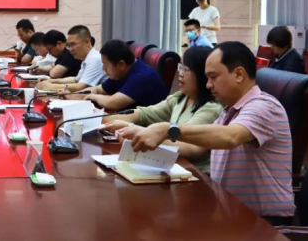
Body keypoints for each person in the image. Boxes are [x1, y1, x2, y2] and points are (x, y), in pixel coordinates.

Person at [129, 42, 294, 224]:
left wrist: (167, 130)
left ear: (239, 74)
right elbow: (199, 144)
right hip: (229, 213)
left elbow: (230, 137)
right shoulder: (230, 111)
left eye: (213, 77)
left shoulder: (264, 106)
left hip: (264, 223)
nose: (208, 85)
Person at [100, 47, 223, 173]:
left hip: (195, 174)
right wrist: (102, 119)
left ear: (202, 74)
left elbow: (189, 148)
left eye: (185, 69)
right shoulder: (180, 98)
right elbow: (144, 114)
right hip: (172, 166)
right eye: (180, 67)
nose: (180, 73)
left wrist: (138, 131)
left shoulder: (212, 108)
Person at [83, 40, 168, 110]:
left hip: (149, 124)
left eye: (105, 64)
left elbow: (112, 103)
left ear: (121, 64)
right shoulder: (120, 73)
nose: (103, 68)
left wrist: (92, 96)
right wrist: (78, 95)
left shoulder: (142, 77)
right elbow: (97, 89)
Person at [37, 25, 106, 92]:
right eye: (69, 45)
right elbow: (76, 79)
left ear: (87, 42)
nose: (70, 49)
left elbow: (81, 87)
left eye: (73, 44)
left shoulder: (94, 59)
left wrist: (51, 87)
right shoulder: (86, 59)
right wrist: (52, 81)